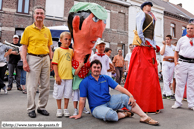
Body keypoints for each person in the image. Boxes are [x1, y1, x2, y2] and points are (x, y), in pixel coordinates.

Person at [70, 60, 159, 126]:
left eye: (98, 67)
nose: (96, 69)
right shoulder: (85, 82)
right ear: (90, 69)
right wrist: (79, 114)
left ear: (101, 69)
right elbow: (82, 99)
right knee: (110, 115)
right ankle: (124, 114)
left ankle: (144, 117)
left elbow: (119, 88)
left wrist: (131, 96)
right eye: (94, 67)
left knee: (126, 98)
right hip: (97, 108)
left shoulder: (105, 78)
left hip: (109, 101)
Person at [68, 2, 107, 116]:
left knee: (84, 92)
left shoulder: (92, 56)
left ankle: (83, 107)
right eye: (95, 20)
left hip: (85, 75)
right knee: (76, 93)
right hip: (78, 76)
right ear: (75, 23)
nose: (99, 34)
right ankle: (73, 109)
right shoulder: (69, 53)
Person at [123, 2, 163, 113]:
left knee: (150, 74)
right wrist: (144, 41)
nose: (150, 7)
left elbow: (152, 33)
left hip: (149, 46)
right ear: (144, 7)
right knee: (141, 74)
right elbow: (140, 29)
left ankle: (150, 103)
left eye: (151, 6)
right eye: (148, 5)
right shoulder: (141, 14)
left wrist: (154, 45)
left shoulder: (152, 16)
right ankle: (140, 103)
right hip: (143, 46)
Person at [20, 6, 53, 118]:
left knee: (45, 85)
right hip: (33, 58)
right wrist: (24, 61)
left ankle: (41, 107)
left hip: (46, 58)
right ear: (34, 15)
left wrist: (51, 60)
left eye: (41, 13)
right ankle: (31, 109)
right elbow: (24, 47)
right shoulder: (28, 29)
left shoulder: (47, 30)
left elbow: (50, 47)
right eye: (37, 13)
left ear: (44, 16)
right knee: (32, 86)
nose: (39, 15)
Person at [172, 23, 194, 110]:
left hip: (192, 64)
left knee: (191, 85)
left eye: (191, 28)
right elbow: (176, 51)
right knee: (180, 83)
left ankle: (191, 104)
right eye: (188, 28)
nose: (189, 30)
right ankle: (178, 102)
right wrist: (175, 62)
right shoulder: (182, 39)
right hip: (182, 63)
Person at [52, 32, 73, 117]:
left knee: (67, 94)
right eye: (65, 39)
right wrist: (57, 75)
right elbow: (54, 63)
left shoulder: (71, 51)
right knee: (59, 94)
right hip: (60, 76)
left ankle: (66, 109)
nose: (67, 41)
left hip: (69, 77)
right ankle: (59, 109)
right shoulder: (57, 50)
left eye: (69, 39)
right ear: (60, 40)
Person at [160, 35, 175, 100]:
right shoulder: (163, 46)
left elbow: (176, 56)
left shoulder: (174, 47)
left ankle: (164, 93)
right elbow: (162, 53)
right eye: (166, 39)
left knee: (169, 79)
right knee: (166, 78)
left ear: (171, 40)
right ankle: (169, 94)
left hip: (172, 63)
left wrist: (169, 57)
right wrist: (164, 45)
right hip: (165, 63)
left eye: (168, 39)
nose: (167, 41)